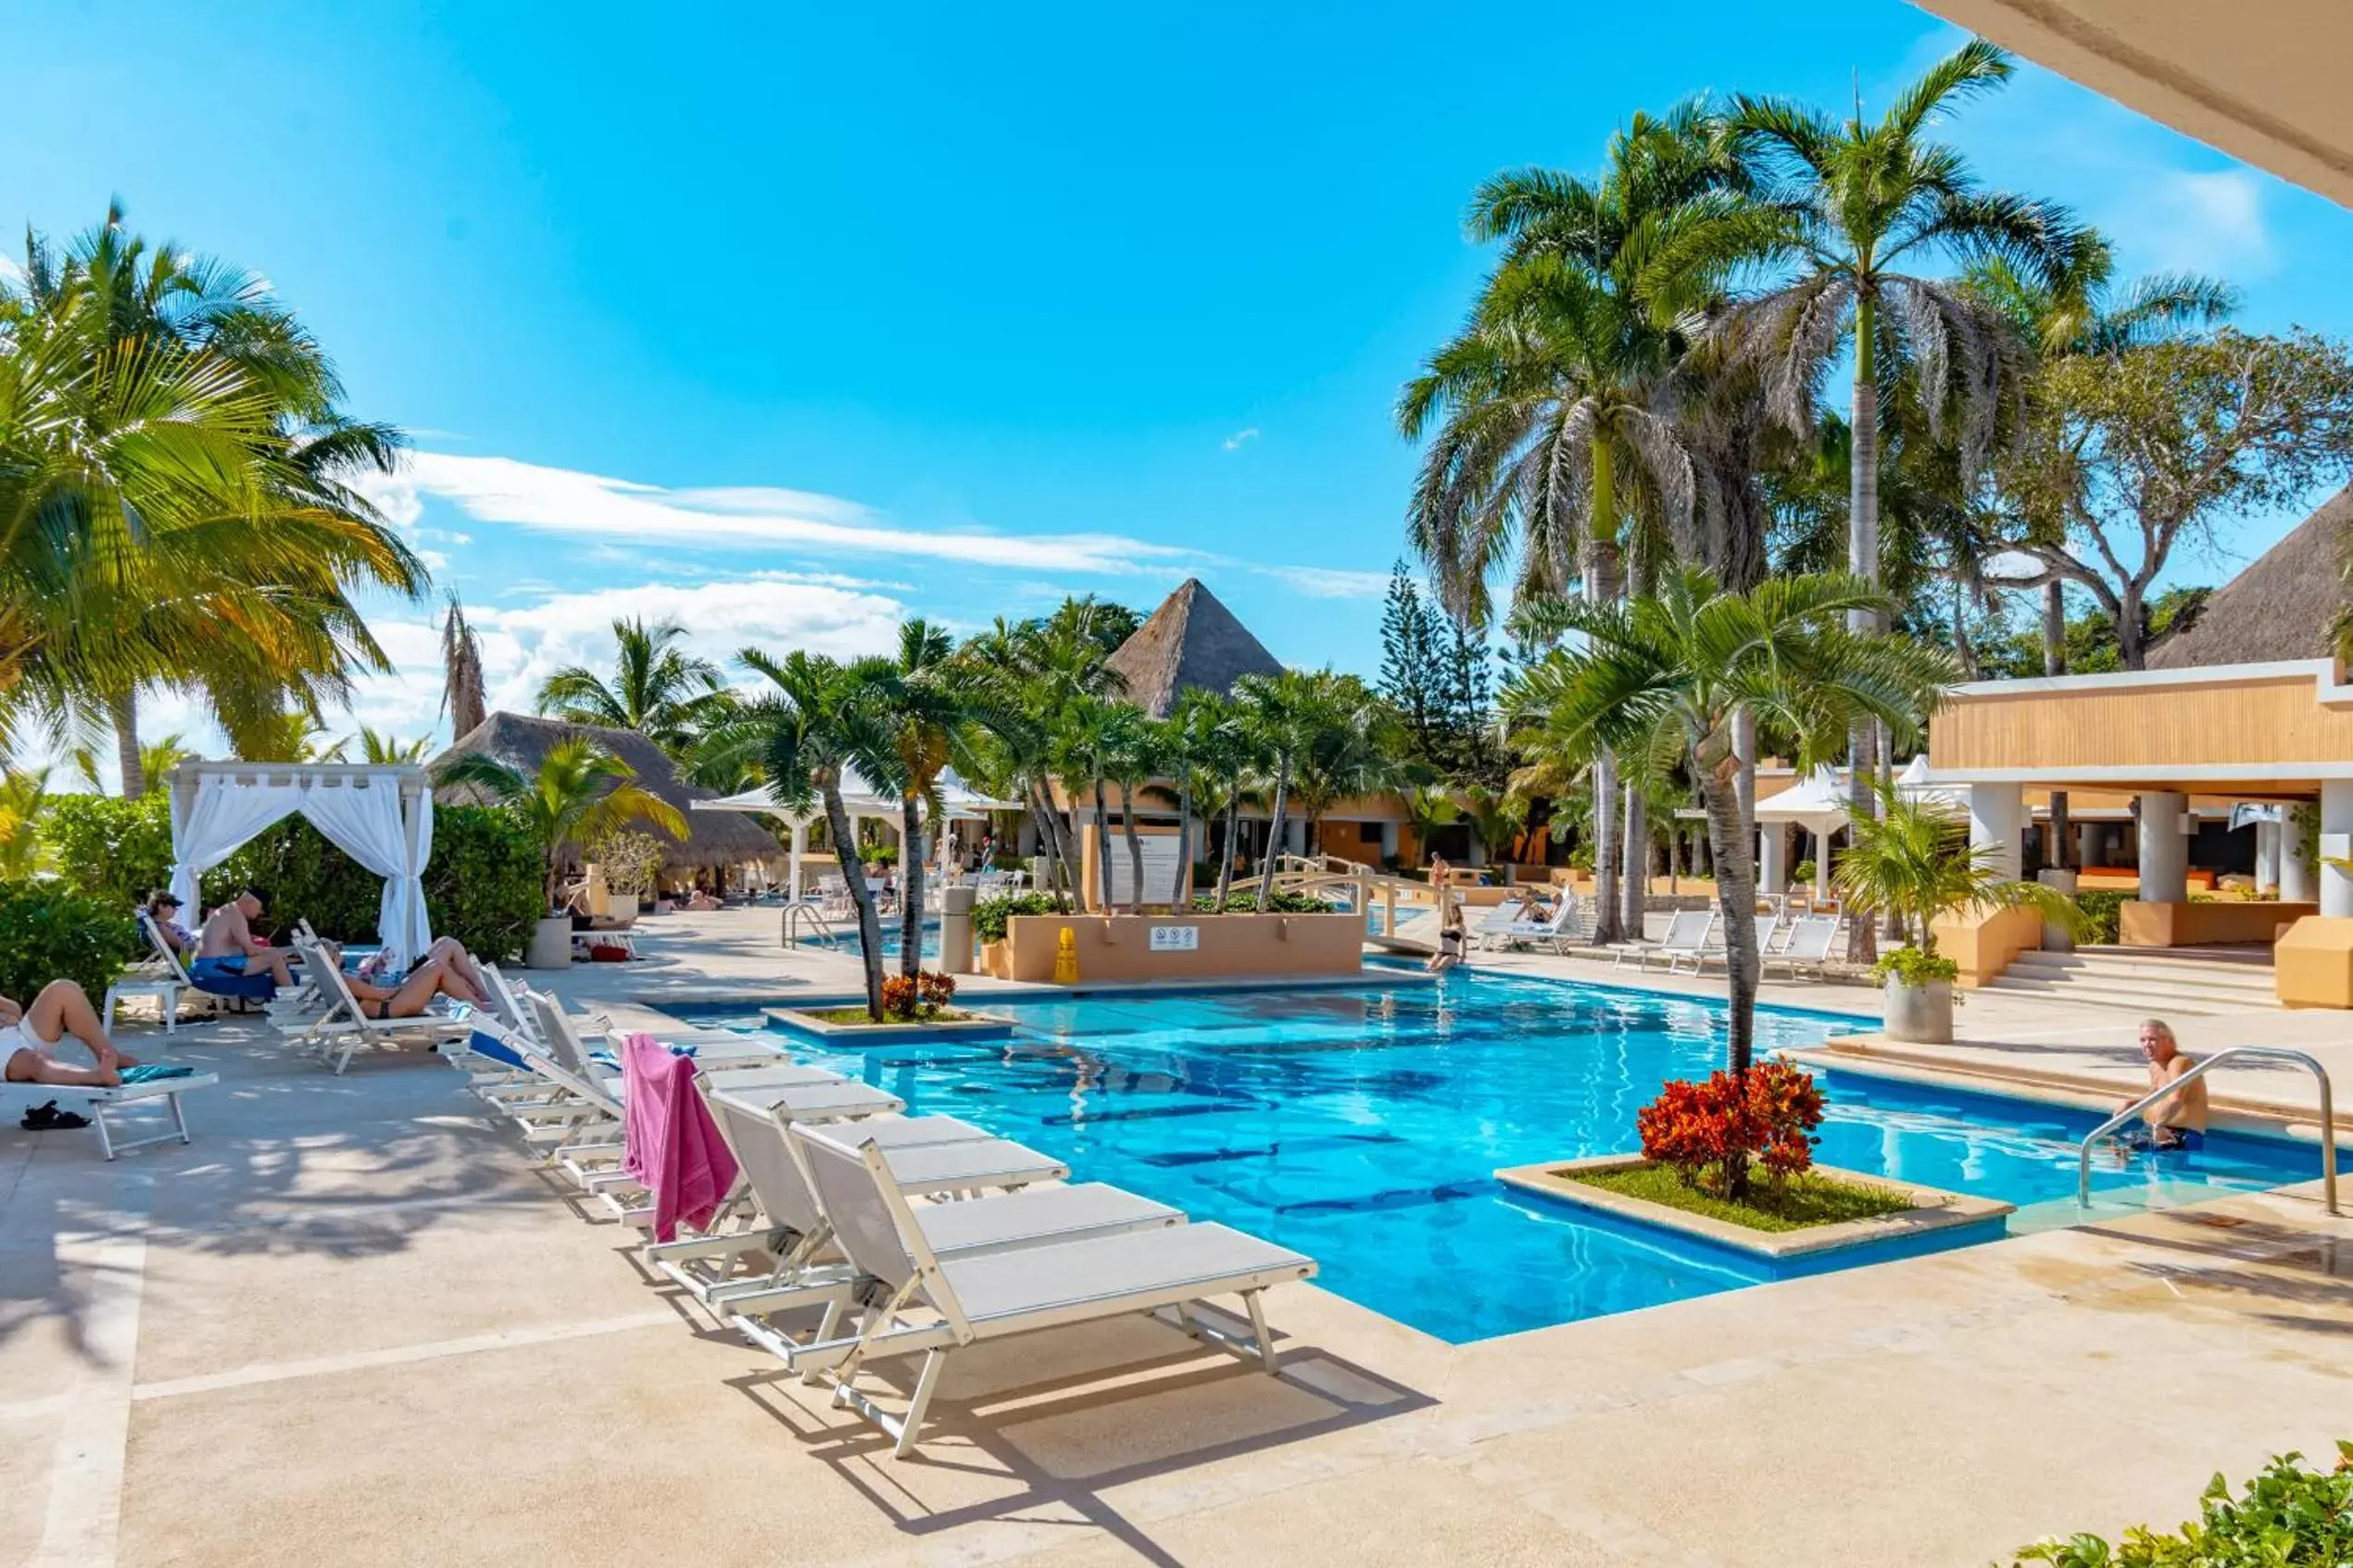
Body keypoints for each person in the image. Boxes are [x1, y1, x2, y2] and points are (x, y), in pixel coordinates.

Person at [3, 980, 139, 1092]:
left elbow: (15, 1010)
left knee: (63, 990)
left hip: (15, 1033)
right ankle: (97, 1076)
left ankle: (112, 1056)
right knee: (35, 1061)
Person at [2118, 1019, 2208, 1151]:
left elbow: (2176, 1099)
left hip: (2178, 1134)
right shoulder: (2155, 1066)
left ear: (2169, 1041)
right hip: (2153, 1130)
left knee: (2115, 1156)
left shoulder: (2179, 1063)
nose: (2147, 1045)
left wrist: (2159, 1126)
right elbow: (2155, 1094)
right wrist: (2130, 1103)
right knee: (2110, 1146)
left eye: (2152, 1039)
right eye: (2143, 1040)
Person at [195, 887, 298, 989]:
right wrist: (274, 952)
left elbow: (241, 948)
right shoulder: (236, 915)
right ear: (251, 902)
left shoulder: (227, 910)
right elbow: (250, 951)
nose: (260, 913)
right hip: (215, 966)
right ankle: (295, 1000)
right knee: (275, 959)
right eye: (261, 909)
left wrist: (271, 952)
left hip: (207, 965)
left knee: (273, 957)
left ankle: (288, 995)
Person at [144, 889, 194, 960]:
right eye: (173, 906)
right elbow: (182, 946)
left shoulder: (162, 926)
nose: (176, 909)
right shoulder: (161, 928)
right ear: (161, 907)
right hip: (190, 959)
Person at [1427, 893, 1466, 973]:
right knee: (1428, 967)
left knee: (1439, 968)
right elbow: (1441, 940)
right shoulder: (1447, 925)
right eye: (1451, 912)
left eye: (1455, 912)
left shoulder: (1461, 927)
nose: (1453, 914)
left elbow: (1464, 943)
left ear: (1459, 914)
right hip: (1440, 953)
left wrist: (1463, 957)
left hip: (1451, 954)